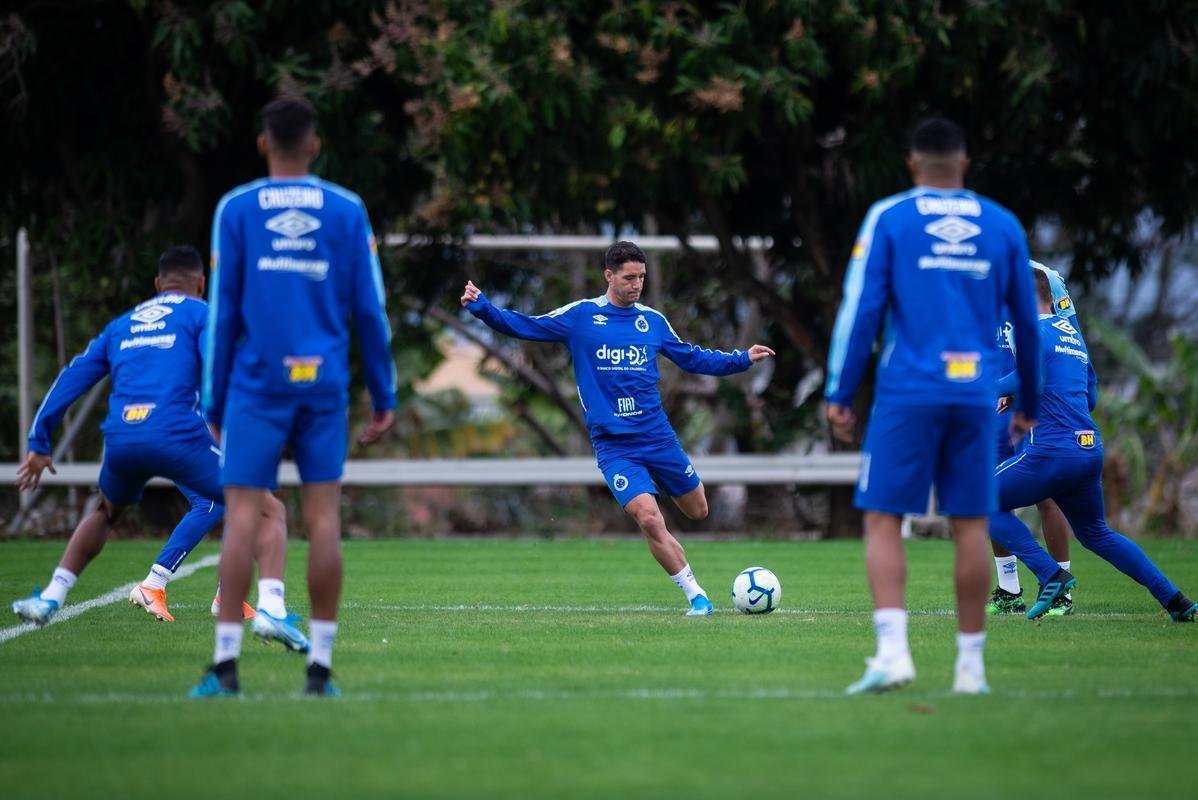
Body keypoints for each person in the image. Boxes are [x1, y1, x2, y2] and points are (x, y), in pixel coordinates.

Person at [824, 117, 1041, 695]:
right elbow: (1028, 322)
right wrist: (1030, 402)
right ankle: (971, 670)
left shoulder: (890, 218)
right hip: (975, 395)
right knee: (970, 522)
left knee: (883, 517)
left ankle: (894, 655)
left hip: (908, 391)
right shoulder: (1002, 225)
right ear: (965, 164)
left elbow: (861, 310)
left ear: (912, 165)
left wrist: (840, 392)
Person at [193, 95, 397, 698]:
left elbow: (223, 312)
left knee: (239, 519)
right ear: (314, 145)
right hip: (325, 383)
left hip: (256, 386)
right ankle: (320, 670)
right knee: (324, 518)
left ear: (263, 144)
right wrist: (383, 393)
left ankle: (225, 667)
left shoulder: (236, 208)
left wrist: (212, 404)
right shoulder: (347, 208)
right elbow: (370, 310)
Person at [461, 240, 774, 615]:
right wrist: (483, 309)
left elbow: (692, 358)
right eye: (629, 277)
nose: (637, 284)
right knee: (648, 517)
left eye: (641, 277)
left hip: (657, 436)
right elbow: (527, 326)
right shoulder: (581, 317)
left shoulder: (652, 321)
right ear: (609, 275)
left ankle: (688, 563)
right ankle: (697, 596)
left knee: (698, 510)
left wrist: (741, 359)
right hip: (614, 445)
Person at [11, 246, 301, 642]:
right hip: (176, 431)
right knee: (263, 508)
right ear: (201, 283)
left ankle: (51, 594)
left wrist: (38, 441)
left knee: (105, 512)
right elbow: (215, 373)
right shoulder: (201, 313)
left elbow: (72, 376)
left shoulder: (122, 325)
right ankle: (266, 607)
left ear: (156, 284)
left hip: (122, 437)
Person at [988, 268, 1196, 622]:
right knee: (1097, 534)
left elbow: (1031, 379)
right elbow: (1092, 394)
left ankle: (1050, 575)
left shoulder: (1031, 331)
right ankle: (1176, 601)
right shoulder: (1070, 334)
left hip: (1052, 451)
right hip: (1088, 448)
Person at [987, 262, 1076, 616]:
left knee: (1047, 497)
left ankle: (1061, 588)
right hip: (991, 404)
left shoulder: (1046, 278)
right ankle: (1009, 589)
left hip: (1032, 402)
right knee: (993, 490)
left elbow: (1069, 334)